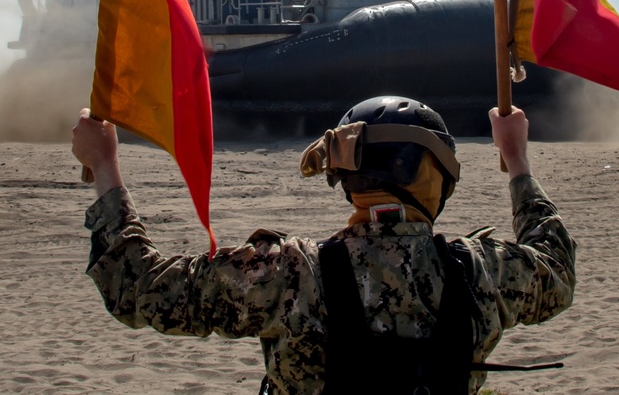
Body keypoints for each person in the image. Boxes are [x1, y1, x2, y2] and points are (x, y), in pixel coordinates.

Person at [72, 96, 576, 394]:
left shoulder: (289, 276)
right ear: (437, 176)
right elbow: (556, 265)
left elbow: (135, 287)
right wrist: (517, 161)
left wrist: (107, 168)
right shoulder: (483, 271)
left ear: (346, 176)